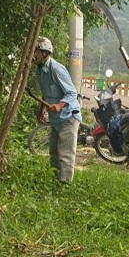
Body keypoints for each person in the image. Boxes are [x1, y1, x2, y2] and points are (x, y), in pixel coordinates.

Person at [32, 36, 81, 183]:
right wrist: (42, 109)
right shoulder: (40, 70)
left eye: (35, 51)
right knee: (53, 153)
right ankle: (56, 183)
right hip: (55, 119)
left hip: (68, 117)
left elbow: (72, 93)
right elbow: (46, 92)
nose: (33, 54)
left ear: (45, 53)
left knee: (65, 155)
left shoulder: (57, 69)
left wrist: (59, 105)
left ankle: (65, 185)